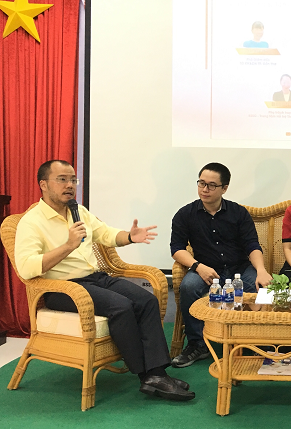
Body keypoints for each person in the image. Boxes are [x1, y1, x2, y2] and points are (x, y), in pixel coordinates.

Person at [14, 160, 194, 401]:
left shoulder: (78, 211)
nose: (70, 185)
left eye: (73, 180)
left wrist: (130, 236)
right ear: (43, 184)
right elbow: (26, 268)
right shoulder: (31, 222)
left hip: (96, 278)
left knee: (147, 300)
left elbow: (106, 234)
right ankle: (147, 375)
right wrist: (68, 245)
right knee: (121, 306)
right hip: (63, 289)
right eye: (62, 179)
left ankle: (157, 373)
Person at [170, 162, 272, 367]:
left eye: (211, 185)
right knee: (188, 287)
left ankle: (258, 341)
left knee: (261, 288)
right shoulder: (185, 214)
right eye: (201, 183)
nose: (204, 189)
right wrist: (197, 266)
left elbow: (252, 245)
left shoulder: (238, 213)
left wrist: (261, 270)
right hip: (206, 269)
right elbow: (177, 249)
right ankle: (197, 344)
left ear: (224, 188)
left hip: (239, 269)